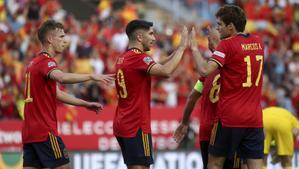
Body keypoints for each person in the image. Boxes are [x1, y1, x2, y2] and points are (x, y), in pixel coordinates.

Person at [22, 20, 114, 169]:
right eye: (61, 37)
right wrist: (91, 76)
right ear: (50, 39)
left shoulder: (34, 63)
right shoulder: (46, 62)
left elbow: (57, 93)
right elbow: (62, 77)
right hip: (45, 131)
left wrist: (84, 104)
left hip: (29, 133)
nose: (65, 41)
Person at [190, 5, 264, 169]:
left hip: (229, 118)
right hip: (254, 119)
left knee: (215, 164)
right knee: (255, 166)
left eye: (220, 25)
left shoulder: (226, 45)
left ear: (231, 26)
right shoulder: (258, 42)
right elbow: (236, 59)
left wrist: (194, 48)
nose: (217, 28)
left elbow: (204, 70)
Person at [113, 19, 188, 169]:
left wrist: (176, 51)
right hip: (136, 124)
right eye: (151, 34)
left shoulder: (125, 57)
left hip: (123, 121)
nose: (154, 38)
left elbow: (157, 64)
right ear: (140, 37)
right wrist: (182, 48)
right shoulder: (138, 58)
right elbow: (165, 71)